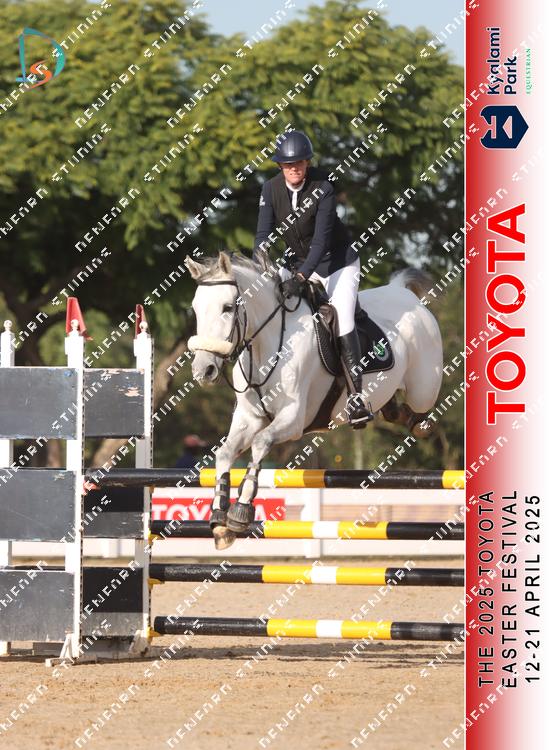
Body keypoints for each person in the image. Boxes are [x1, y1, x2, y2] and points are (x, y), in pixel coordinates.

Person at [253, 129, 373, 428]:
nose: (295, 168)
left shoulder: (323, 187)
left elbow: (320, 242)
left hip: (337, 264)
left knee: (342, 316)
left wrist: (301, 276)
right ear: (280, 166)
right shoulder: (270, 189)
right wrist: (261, 262)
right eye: (288, 164)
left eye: (300, 163)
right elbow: (262, 234)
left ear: (307, 162)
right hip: (297, 263)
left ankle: (356, 398)